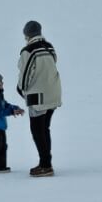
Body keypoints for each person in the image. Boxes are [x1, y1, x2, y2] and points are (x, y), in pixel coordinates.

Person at [17, 21, 60, 176]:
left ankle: (45, 165)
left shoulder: (28, 50)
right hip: (53, 92)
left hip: (37, 97)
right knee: (44, 129)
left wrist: (20, 88)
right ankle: (46, 162)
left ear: (27, 34)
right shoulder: (49, 47)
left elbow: (26, 73)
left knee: (37, 130)